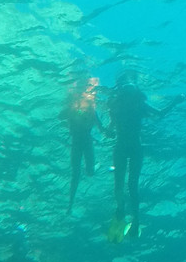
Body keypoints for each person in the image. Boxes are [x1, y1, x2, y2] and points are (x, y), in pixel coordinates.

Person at [106, 69, 167, 240]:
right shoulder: (135, 103)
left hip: (125, 148)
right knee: (129, 185)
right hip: (132, 148)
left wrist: (105, 130)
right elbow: (161, 113)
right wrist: (176, 102)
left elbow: (109, 130)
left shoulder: (121, 104)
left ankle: (125, 212)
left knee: (124, 184)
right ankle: (131, 217)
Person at [60, 76, 104, 215]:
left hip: (85, 141)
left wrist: (109, 133)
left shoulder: (92, 110)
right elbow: (60, 116)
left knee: (88, 172)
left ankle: (95, 167)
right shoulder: (74, 106)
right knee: (76, 174)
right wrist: (72, 110)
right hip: (78, 143)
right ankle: (70, 204)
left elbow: (101, 128)